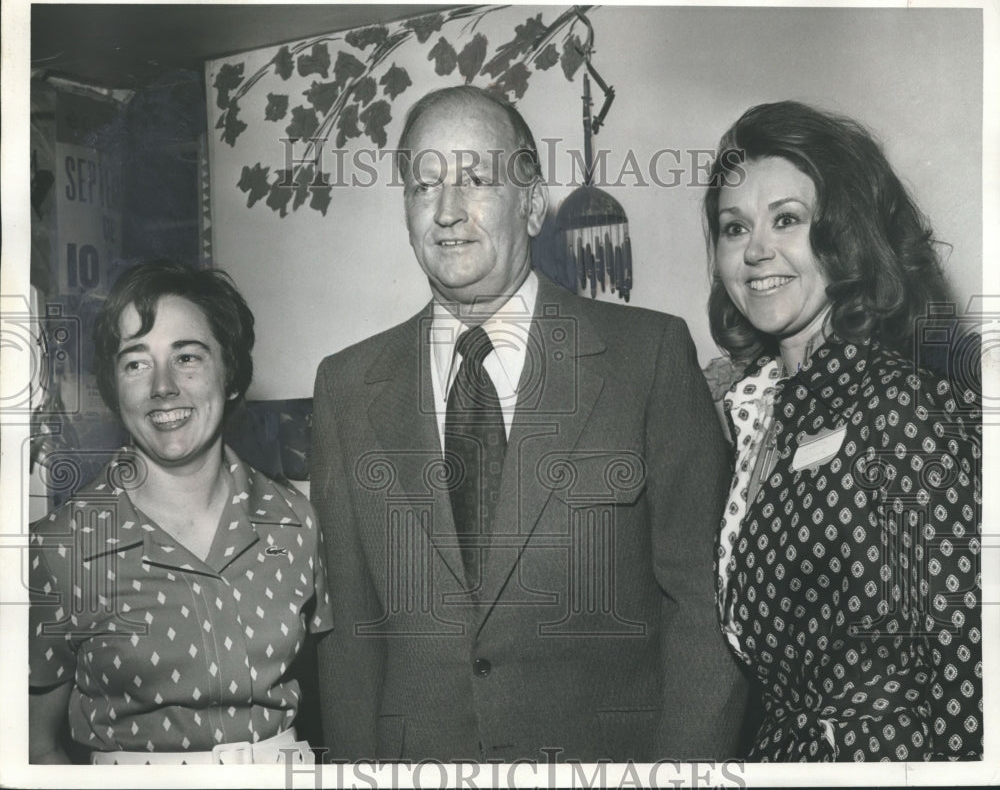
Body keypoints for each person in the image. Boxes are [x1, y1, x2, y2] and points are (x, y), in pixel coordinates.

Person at [311, 85, 747, 762]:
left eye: (476, 179)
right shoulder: (345, 388)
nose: (448, 211)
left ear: (534, 203)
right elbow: (350, 645)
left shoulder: (647, 358)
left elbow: (703, 607)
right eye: (425, 185)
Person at [704, 100, 982, 761]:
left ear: (845, 234)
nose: (757, 250)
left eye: (788, 220)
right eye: (734, 227)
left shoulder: (903, 411)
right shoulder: (750, 417)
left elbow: (970, 671)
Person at [28, 259, 333, 764]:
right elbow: (36, 748)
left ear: (230, 374)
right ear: (114, 389)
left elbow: (335, 695)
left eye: (187, 357)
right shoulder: (60, 548)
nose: (163, 386)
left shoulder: (296, 523)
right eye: (136, 362)